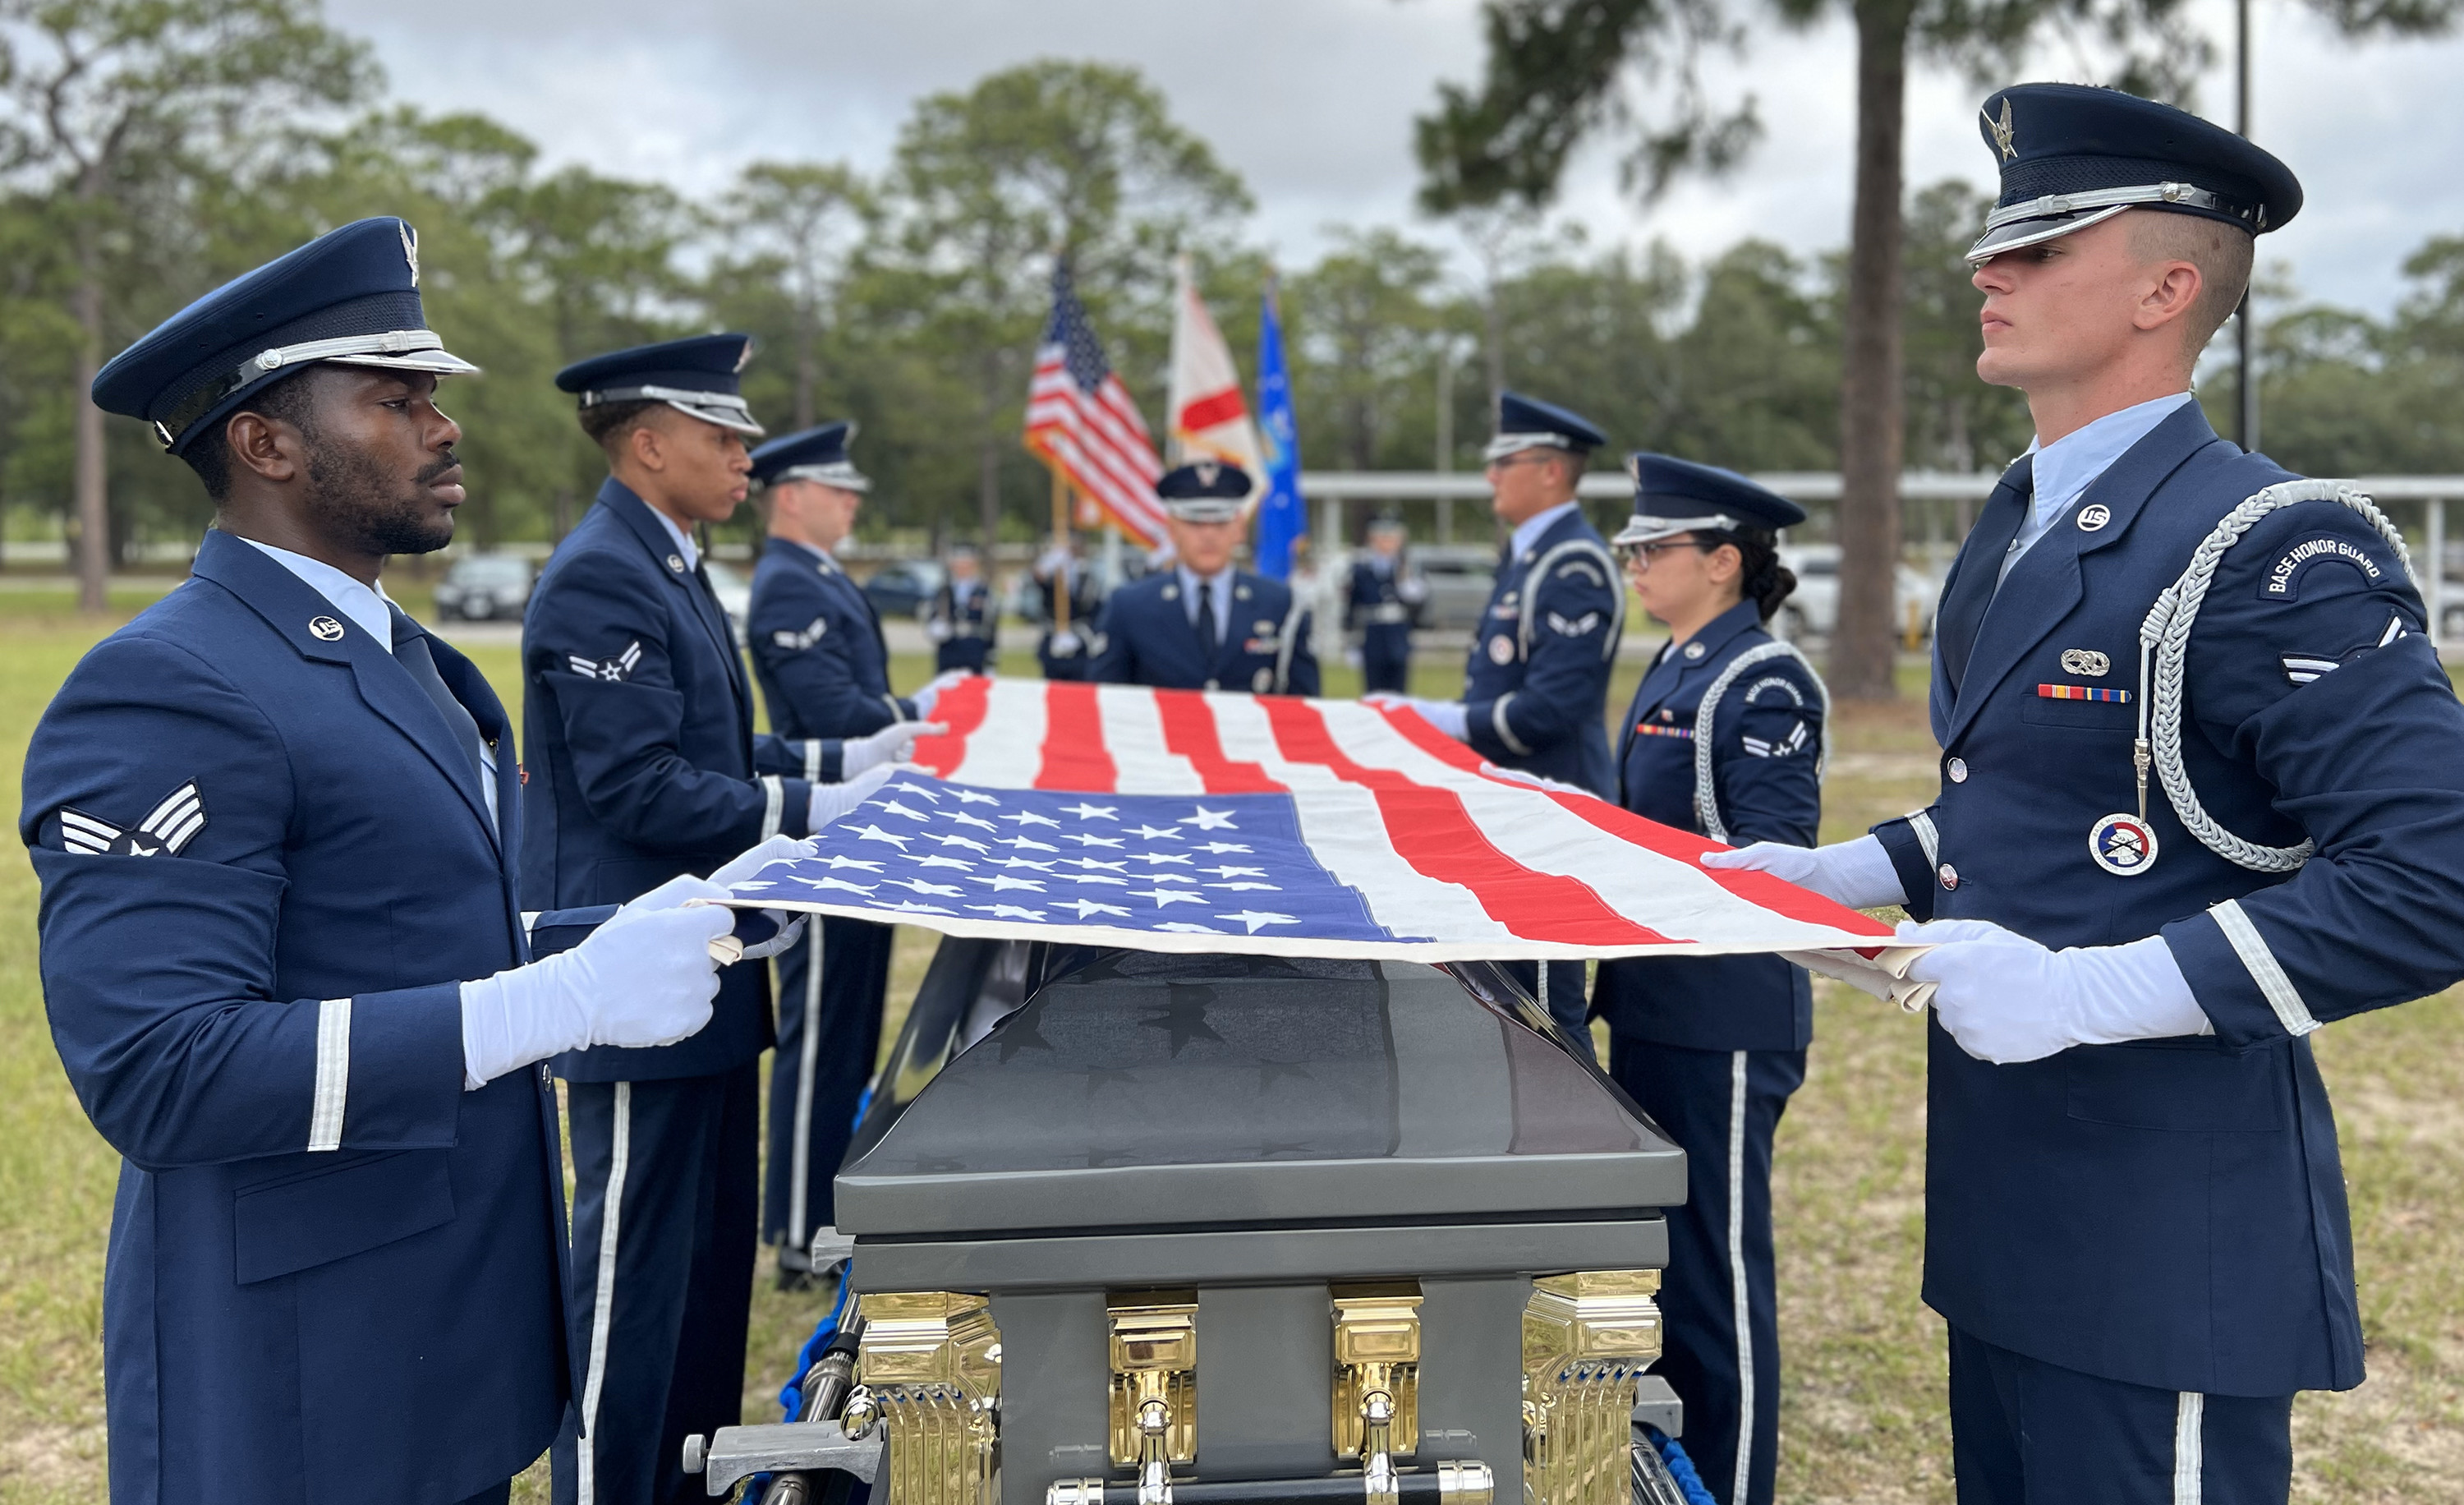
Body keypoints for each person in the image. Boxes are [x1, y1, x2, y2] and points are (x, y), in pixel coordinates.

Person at [1709, 85, 2464, 1503]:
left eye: (2045, 244)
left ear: (2167, 287)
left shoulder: (2268, 541)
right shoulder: (2018, 518)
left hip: (2165, 1227)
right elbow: (2041, 800)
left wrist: (2083, 994)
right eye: (2000, 240)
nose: (1990, 268)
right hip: (2008, 1203)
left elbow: (2437, 878)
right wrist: (1852, 874)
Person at [30, 217, 771, 1505]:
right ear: (265, 442)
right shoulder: (170, 683)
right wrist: (565, 1002)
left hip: (446, 1330)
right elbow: (161, 1070)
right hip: (311, 1373)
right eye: (395, 397)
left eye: (432, 395)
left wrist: (640, 936)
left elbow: (405, 937)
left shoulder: (397, 659)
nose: (445, 426)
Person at [523, 341, 924, 1505]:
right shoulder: (604, 573)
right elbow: (638, 786)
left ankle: (684, 1483)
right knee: (630, 1280)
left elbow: (713, 745)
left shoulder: (669, 564)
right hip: (634, 975)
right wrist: (814, 807)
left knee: (703, 1280)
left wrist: (841, 761)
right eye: (723, 439)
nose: (747, 459)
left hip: (702, 966)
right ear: (649, 443)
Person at [1591, 456, 1821, 1505]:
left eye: (1653, 548)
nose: (1634, 565)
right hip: (1654, 1001)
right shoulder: (1678, 661)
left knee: (1719, 1280)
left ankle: (1730, 1486)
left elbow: (1773, 858)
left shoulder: (1759, 678)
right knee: (1671, 1273)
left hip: (1722, 1013)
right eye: (1632, 548)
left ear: (1723, 560)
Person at [742, 421, 953, 1285]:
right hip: (824, 828)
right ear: (791, 495)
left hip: (858, 829)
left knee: (852, 1030)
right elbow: (831, 709)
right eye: (838, 488)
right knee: (824, 1034)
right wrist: (914, 718)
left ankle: (822, 1212)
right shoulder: (790, 584)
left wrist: (913, 707)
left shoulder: (815, 575)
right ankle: (800, 1232)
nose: (853, 501)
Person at [1371, 391, 1623, 1032]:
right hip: (1514, 806)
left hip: (1548, 805)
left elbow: (1550, 709)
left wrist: (1440, 719)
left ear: (1550, 470)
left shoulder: (1572, 562)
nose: (1491, 475)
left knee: (1542, 1011)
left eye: (1505, 460)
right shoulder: (1532, 555)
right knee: (1514, 1003)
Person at [1089, 459, 1321, 694]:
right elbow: (1105, 705)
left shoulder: (1280, 604)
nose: (1208, 535)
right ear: (1172, 527)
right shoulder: (1130, 606)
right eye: (1194, 522)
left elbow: (1304, 705)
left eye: (1220, 522)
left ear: (1239, 528)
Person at [1345, 516, 1427, 693]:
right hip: (1373, 634)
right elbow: (1353, 605)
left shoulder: (1408, 567)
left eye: (1391, 539)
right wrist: (1351, 641)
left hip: (1397, 633)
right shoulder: (1362, 569)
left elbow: (1419, 603)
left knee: (1398, 690)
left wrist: (1405, 581)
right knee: (1373, 690)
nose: (1386, 544)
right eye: (1381, 539)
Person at [1033, 534, 1104, 679]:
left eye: (1075, 548)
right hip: (1054, 640)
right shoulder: (1053, 577)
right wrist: (1050, 562)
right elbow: (1039, 577)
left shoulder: (1087, 575)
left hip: (1079, 642)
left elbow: (1091, 606)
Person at [926, 543, 999, 674]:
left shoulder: (983, 591)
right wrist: (935, 627)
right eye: (959, 564)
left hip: (975, 651)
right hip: (950, 651)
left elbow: (991, 626)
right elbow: (933, 616)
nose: (963, 568)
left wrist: (990, 659)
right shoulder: (944, 591)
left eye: (967, 564)